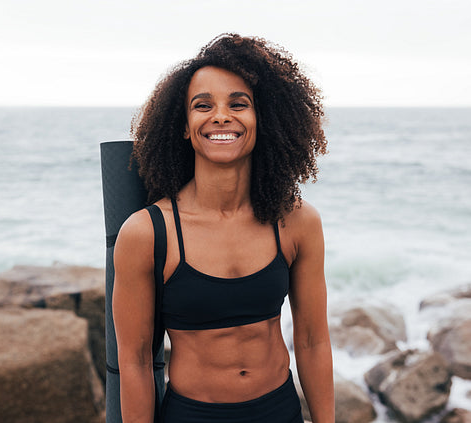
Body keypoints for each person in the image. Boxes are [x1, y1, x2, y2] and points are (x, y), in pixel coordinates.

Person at [112, 33, 333, 423]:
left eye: (238, 104)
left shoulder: (297, 222)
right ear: (184, 126)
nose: (221, 116)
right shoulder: (147, 234)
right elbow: (134, 362)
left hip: (279, 412)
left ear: (260, 119)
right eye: (203, 105)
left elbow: (313, 341)